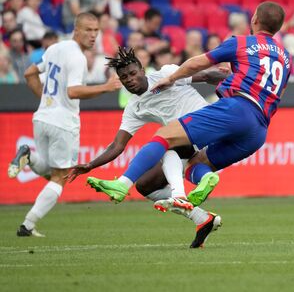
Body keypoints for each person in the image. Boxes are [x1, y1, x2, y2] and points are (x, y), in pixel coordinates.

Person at [86, 1, 291, 229]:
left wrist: (171, 78)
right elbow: (279, 93)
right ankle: (202, 188)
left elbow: (199, 62)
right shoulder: (286, 58)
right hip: (259, 129)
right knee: (193, 164)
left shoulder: (241, 42)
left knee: (165, 136)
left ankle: (124, 184)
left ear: (254, 20)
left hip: (237, 108)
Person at [66, 47, 227, 247]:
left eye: (133, 73)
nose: (130, 79)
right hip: (190, 143)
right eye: (124, 77)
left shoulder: (166, 74)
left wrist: (224, 76)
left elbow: (204, 75)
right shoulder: (134, 108)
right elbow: (117, 145)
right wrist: (90, 165)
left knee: (167, 143)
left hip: (208, 126)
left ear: (143, 70)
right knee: (145, 185)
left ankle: (178, 195)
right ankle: (201, 217)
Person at [7, 13, 122, 237]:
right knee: (59, 178)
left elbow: (30, 72)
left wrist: (45, 100)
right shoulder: (77, 57)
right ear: (75, 30)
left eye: (96, 30)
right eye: (88, 30)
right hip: (63, 122)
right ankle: (27, 226)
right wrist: (106, 87)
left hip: (42, 117)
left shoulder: (54, 49)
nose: (93, 35)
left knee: (51, 174)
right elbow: (73, 91)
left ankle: (27, 156)